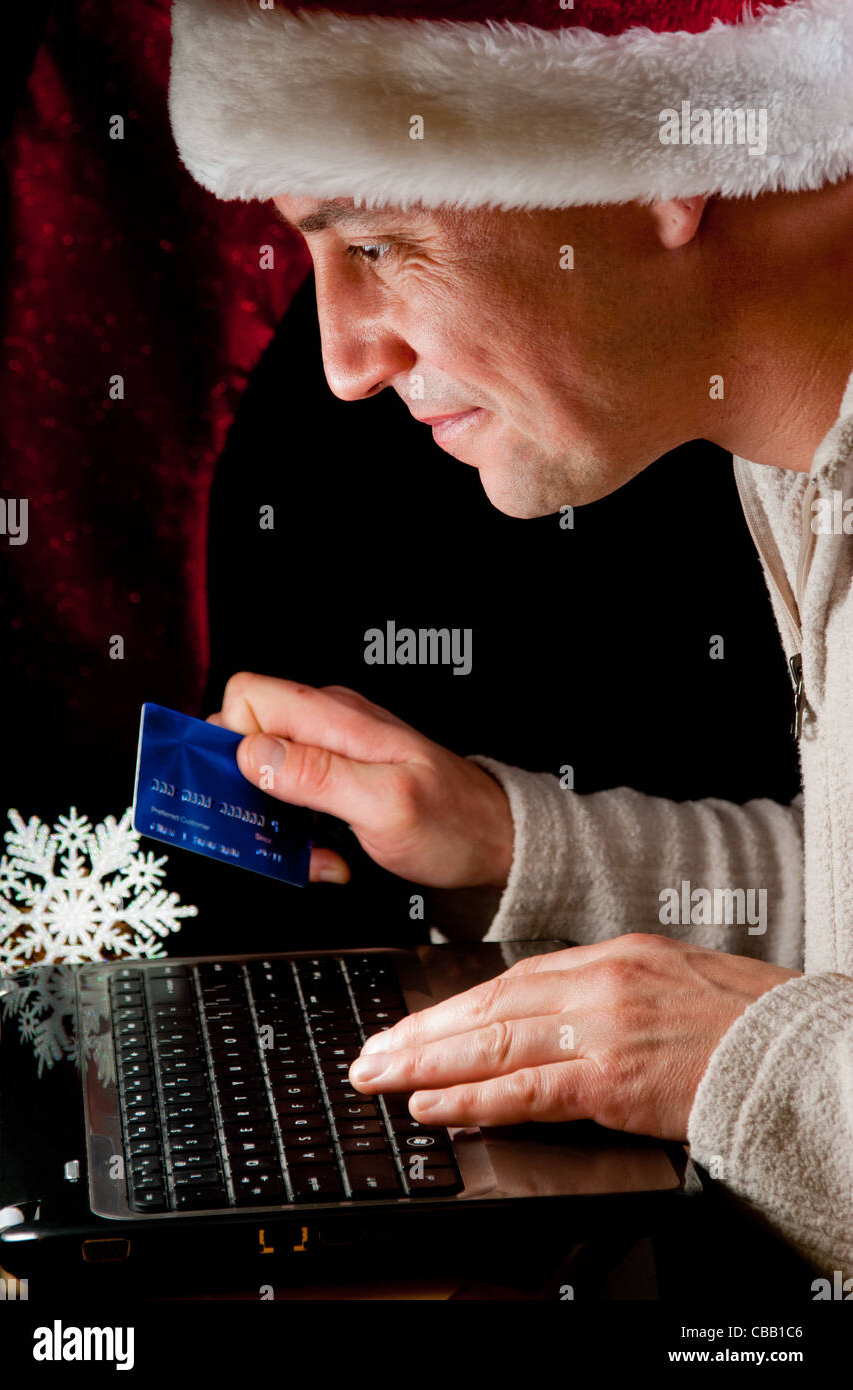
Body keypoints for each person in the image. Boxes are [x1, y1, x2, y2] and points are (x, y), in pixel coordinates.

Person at [169, 0, 853, 1275]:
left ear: (670, 162)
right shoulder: (797, 460)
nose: (342, 360)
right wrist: (508, 845)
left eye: (377, 240)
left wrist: (736, 1062)